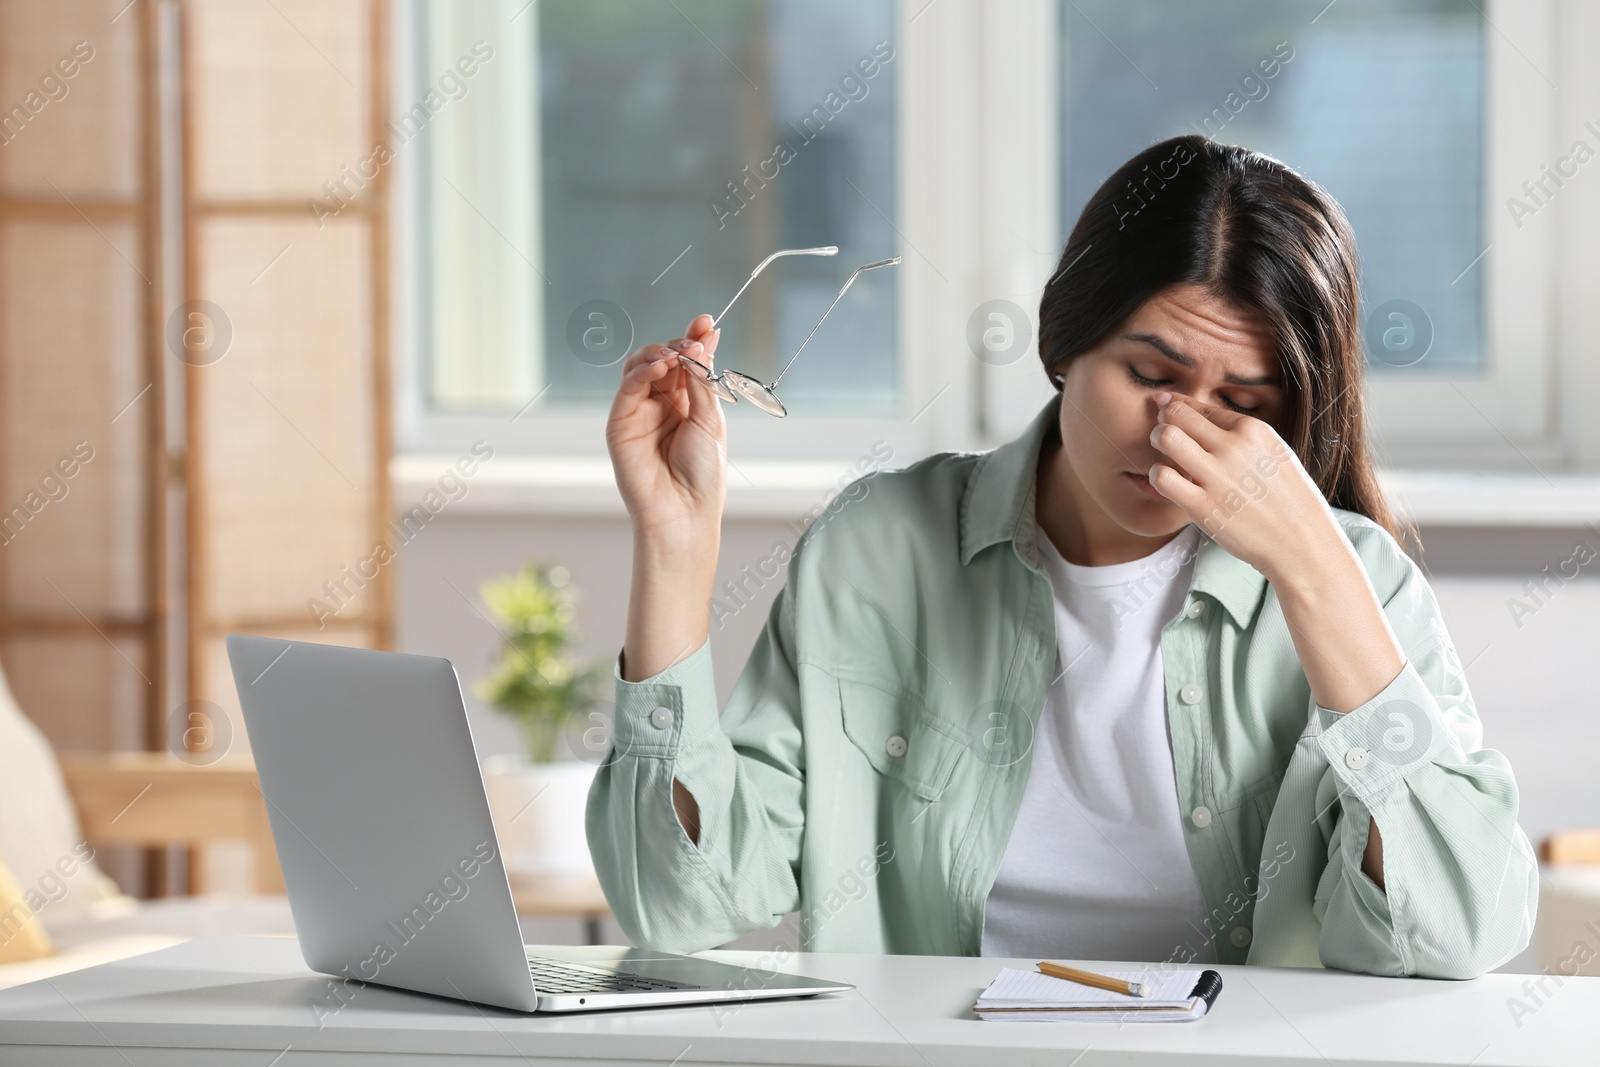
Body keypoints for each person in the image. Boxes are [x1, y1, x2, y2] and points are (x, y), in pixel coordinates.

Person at [591, 134, 1537, 978]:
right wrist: (672, 551)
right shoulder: (877, 549)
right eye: (1149, 375)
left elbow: (1456, 932)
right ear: (1064, 343)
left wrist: (1316, 569)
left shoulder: (1356, 581)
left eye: (1242, 406)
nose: (1179, 433)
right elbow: (681, 907)